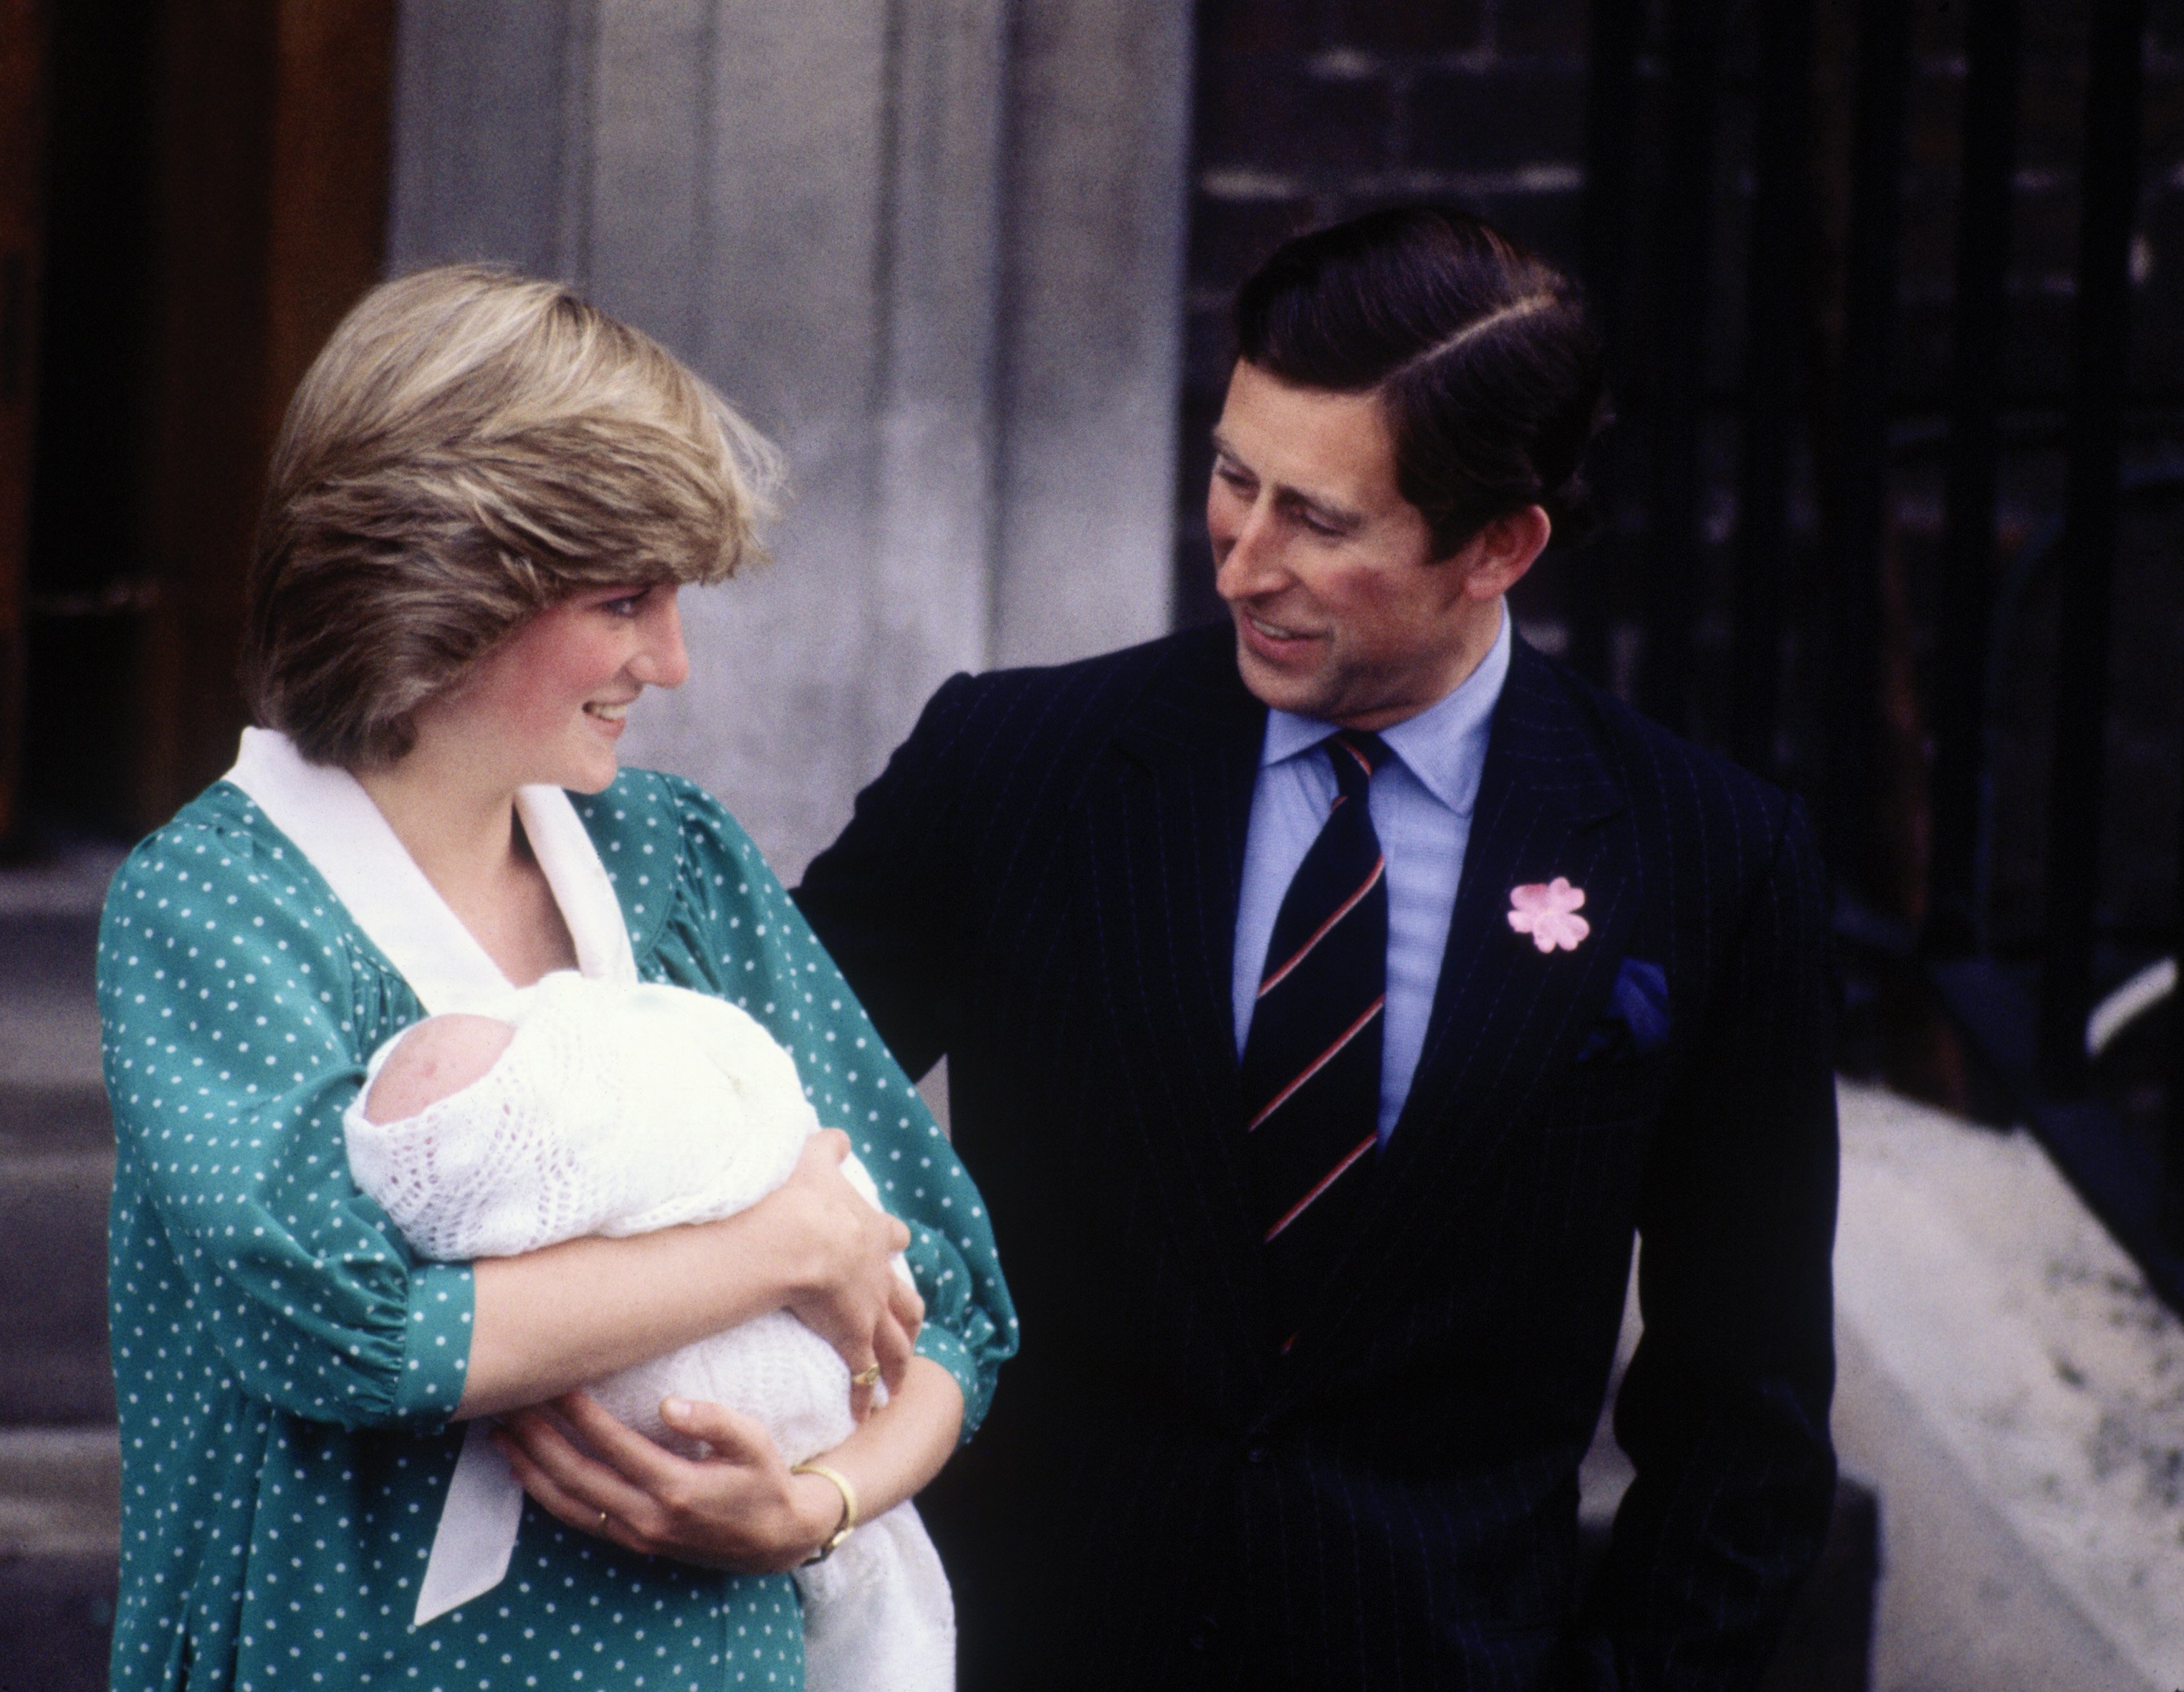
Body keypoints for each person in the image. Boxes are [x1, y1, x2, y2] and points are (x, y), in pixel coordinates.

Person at [793, 207, 1839, 1689]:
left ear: (1499, 544)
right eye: (1233, 478)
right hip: (1017, 1642)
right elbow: (733, 1116)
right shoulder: (1012, 762)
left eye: (1321, 521)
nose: (1240, 561)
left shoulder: (1710, 859)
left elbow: (1745, 1408)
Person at [96, 264, 1015, 1692]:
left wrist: (814, 1505)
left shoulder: (675, 859)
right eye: (622, 600)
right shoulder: (215, 903)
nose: (671, 659)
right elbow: (347, 1329)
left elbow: (948, 1299)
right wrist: (781, 1245)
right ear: (442, 584)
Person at [343, 971, 955, 1691]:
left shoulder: (684, 874)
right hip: (442, 1642)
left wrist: (822, 1505)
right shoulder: (240, 914)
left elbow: (951, 1325)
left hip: (766, 1616)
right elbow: (367, 1338)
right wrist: (790, 1244)